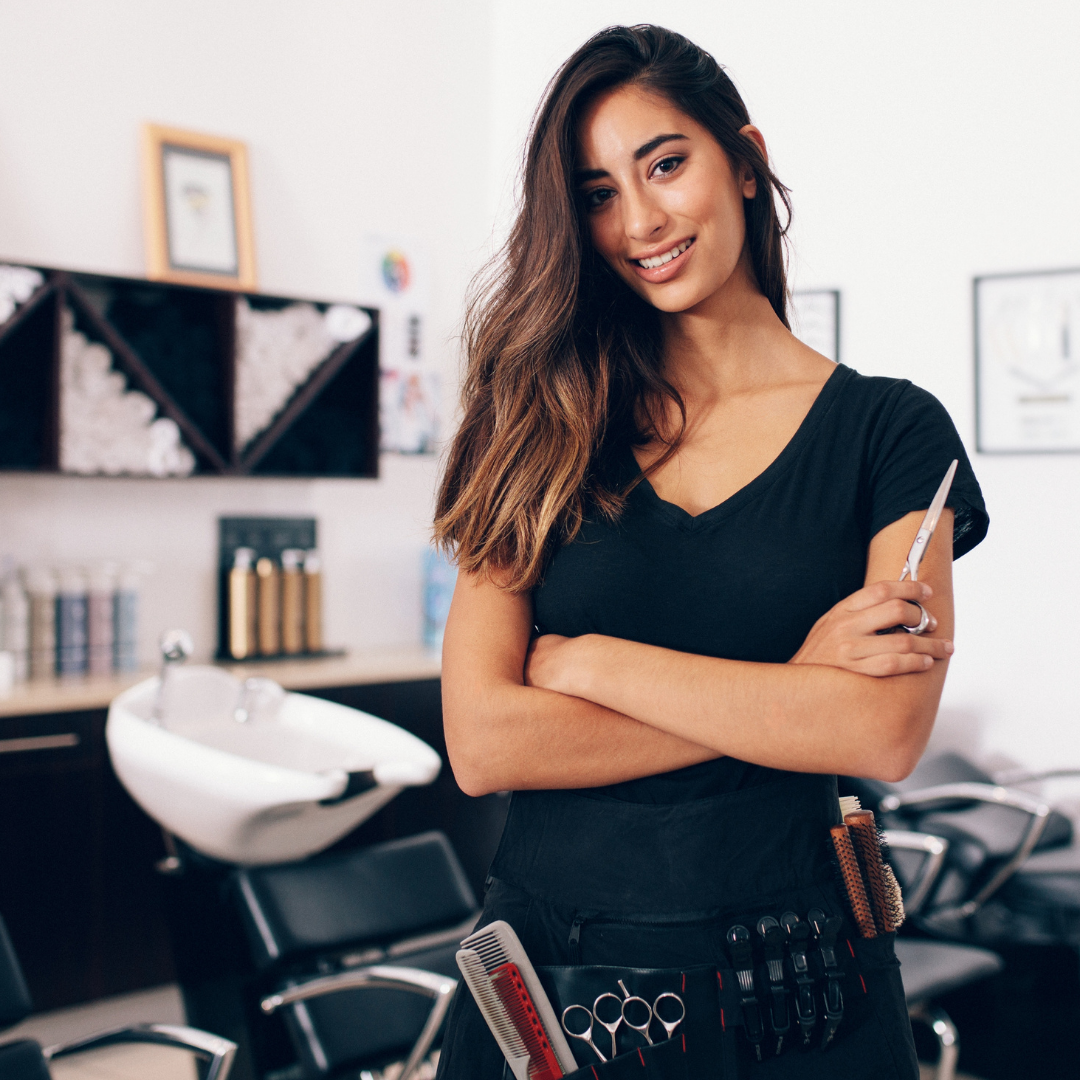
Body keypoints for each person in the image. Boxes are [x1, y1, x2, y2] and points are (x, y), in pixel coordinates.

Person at [433, 24, 987, 1080]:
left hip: (802, 983)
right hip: (559, 986)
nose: (639, 220)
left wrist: (590, 663)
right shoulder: (535, 417)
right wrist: (791, 693)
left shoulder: (892, 432)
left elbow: (879, 731)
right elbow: (487, 739)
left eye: (665, 164)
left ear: (743, 158)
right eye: (597, 192)